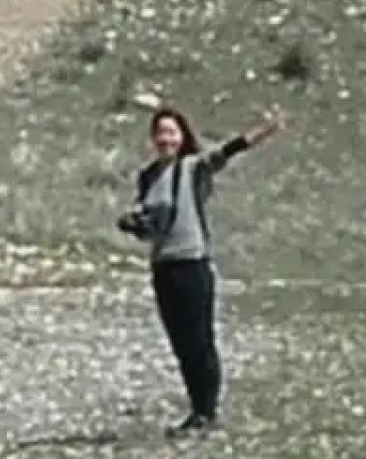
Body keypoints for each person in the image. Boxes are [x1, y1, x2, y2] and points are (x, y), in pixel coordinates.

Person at [117, 104, 285, 436]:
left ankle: (207, 413)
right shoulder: (148, 176)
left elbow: (227, 151)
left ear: (182, 136)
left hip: (192, 265)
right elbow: (151, 225)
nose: (165, 139)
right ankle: (197, 412)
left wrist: (264, 130)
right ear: (153, 138)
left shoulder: (193, 168)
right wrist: (134, 225)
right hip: (163, 266)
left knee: (199, 341)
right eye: (160, 132)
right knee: (180, 343)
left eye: (171, 132)